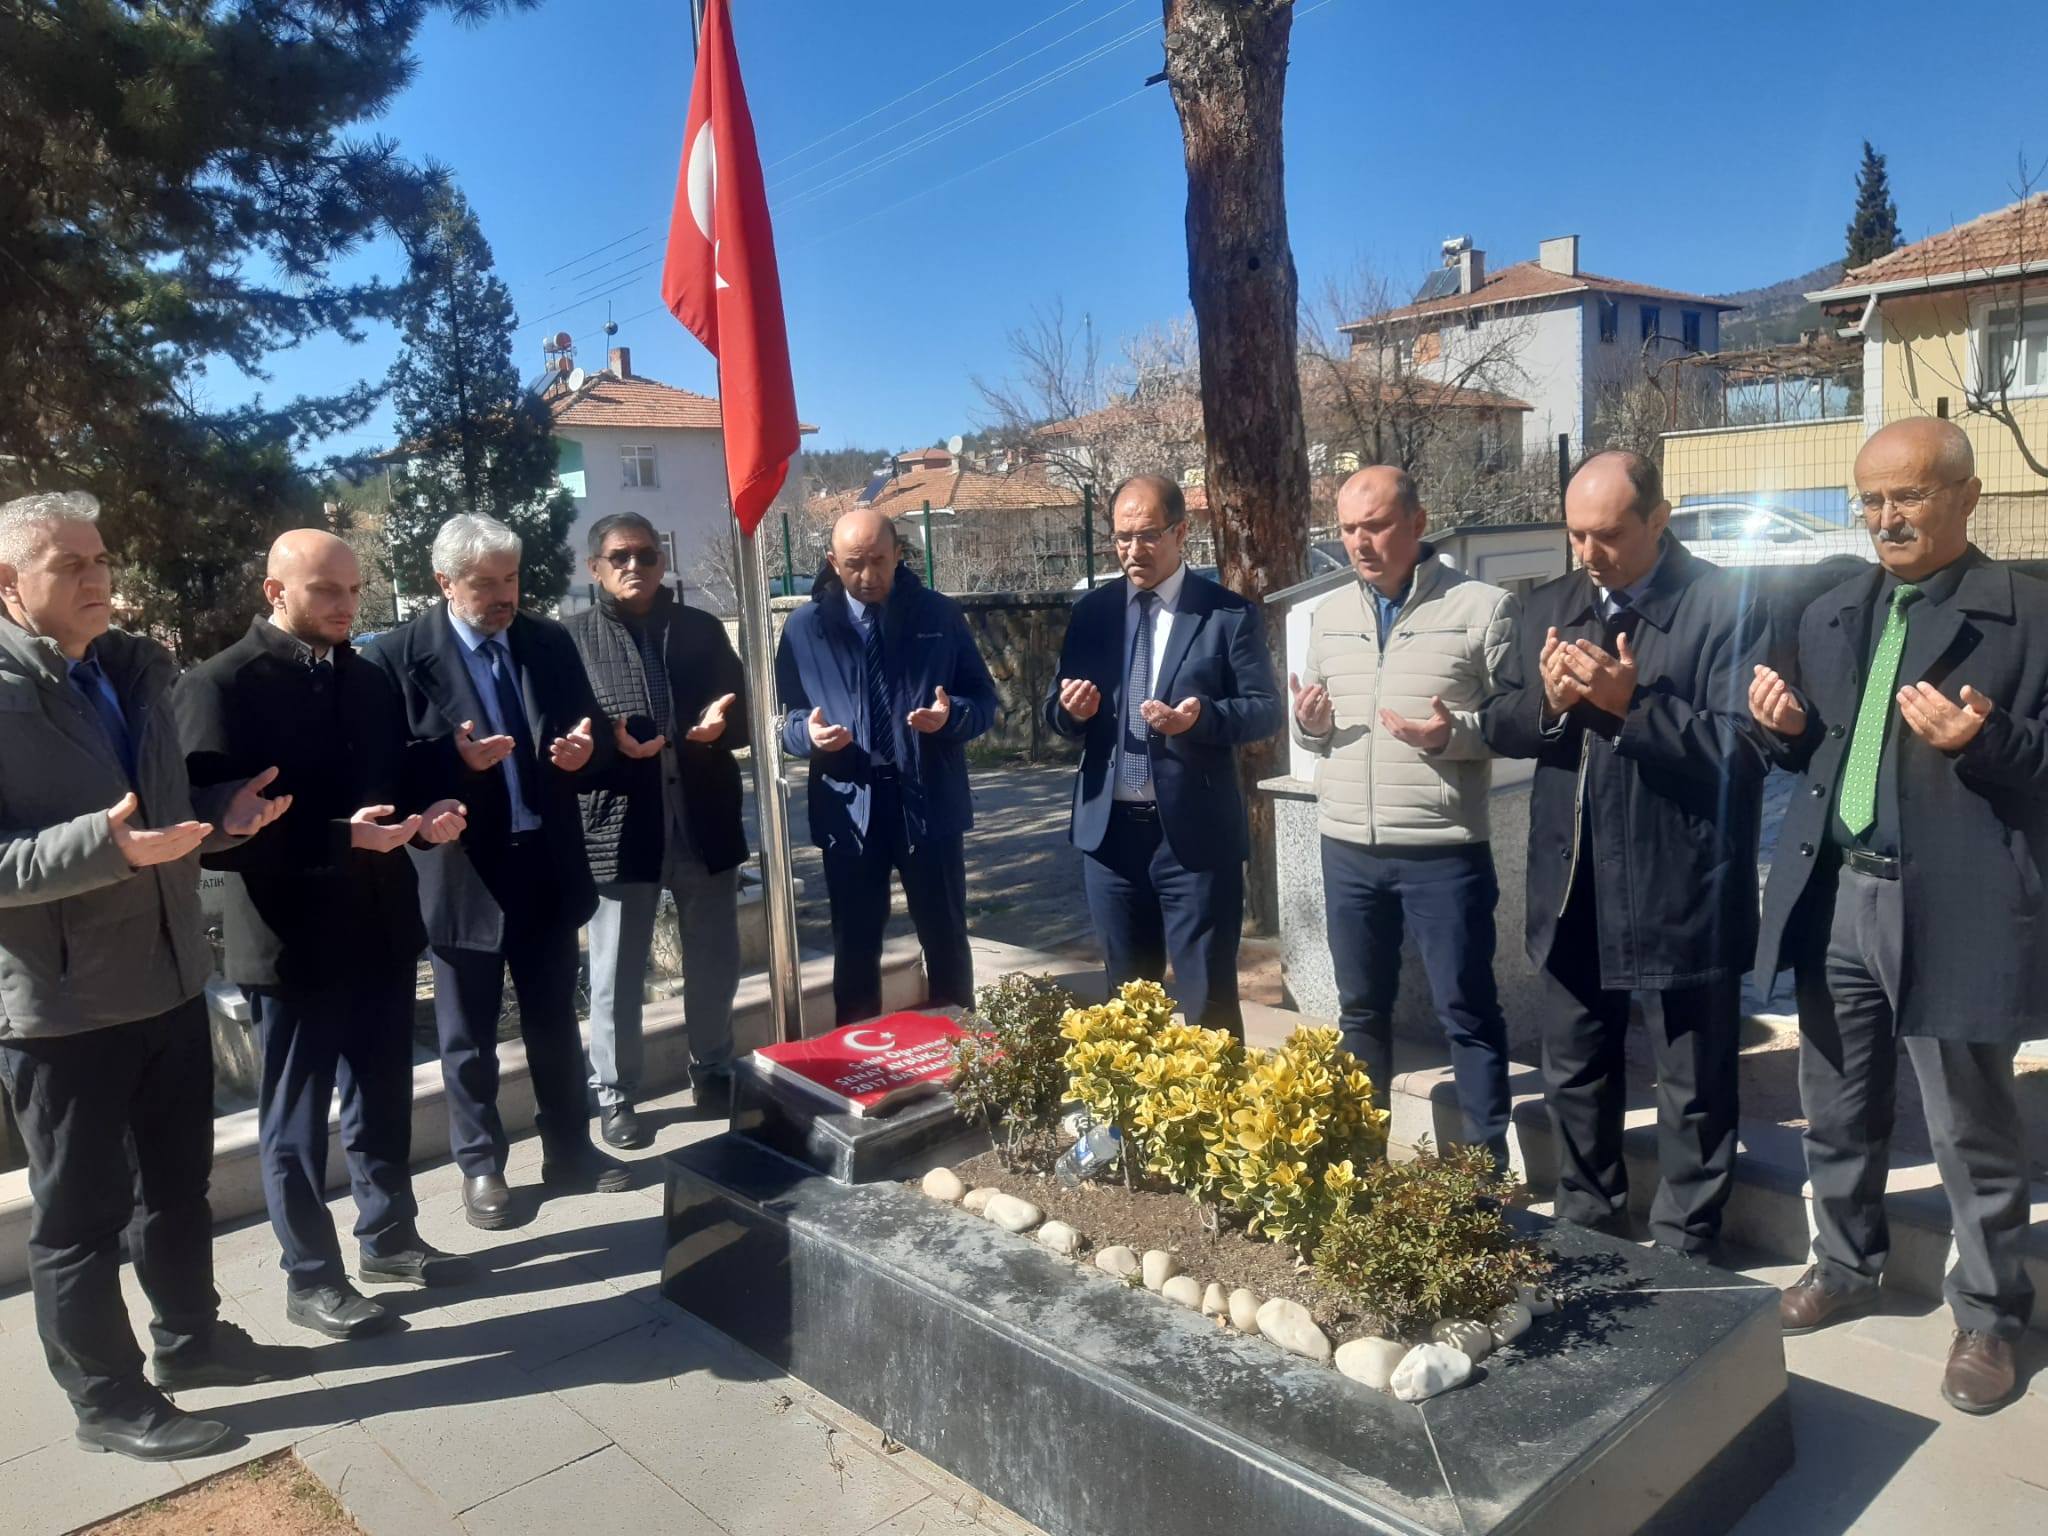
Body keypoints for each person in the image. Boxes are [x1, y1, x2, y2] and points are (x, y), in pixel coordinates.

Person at [0, 491, 304, 1460]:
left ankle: (191, 1345)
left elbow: (159, 815)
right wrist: (106, 848)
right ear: (10, 585)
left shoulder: (130, 672)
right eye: (71, 566)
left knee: (177, 1191)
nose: (100, 579)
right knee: (79, 1222)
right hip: (61, 1009)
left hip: (170, 981)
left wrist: (221, 814)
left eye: (101, 559)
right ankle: (107, 1402)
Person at [1752, 418, 2043, 1414]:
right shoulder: (1836, 613)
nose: (1884, 518)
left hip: (1953, 906)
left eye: (1906, 496)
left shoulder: (2027, 617)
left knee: (1970, 1126)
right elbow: (1820, 753)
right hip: (1838, 892)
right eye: (1868, 499)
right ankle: (1842, 1263)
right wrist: (1784, 733)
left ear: (1964, 495)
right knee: (1833, 1101)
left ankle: (1991, 1316)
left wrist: (1988, 740)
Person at [177, 531, 473, 1340]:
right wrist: (340, 839)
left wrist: (434, 809)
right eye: (324, 592)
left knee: (382, 1098)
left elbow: (396, 778)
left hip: (379, 926)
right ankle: (311, 1279)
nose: (346, 606)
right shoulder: (220, 685)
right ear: (275, 592)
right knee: (296, 1122)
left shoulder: (367, 674)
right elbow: (214, 832)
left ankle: (389, 1238)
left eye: (353, 589)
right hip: (291, 940)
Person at [1480, 451, 1770, 1257]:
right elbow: (1497, 720)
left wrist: (1628, 706)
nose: (1589, 554)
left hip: (1681, 877)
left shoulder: (1723, 604)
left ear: (1658, 519)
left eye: (1607, 534)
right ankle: (1589, 1215)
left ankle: (1686, 1238)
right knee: (1573, 1063)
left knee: (1692, 1081)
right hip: (1573, 877)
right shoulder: (1551, 602)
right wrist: (1547, 703)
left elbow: (1747, 748)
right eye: (1576, 534)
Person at [364, 513, 627, 1230]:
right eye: (485, 584)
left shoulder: (547, 641)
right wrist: (450, 770)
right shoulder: (396, 657)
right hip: (462, 870)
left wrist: (585, 748)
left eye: (511, 579)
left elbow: (591, 733)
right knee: (467, 1034)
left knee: (552, 1021)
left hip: (544, 859)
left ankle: (571, 1148)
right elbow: (383, 770)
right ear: (444, 582)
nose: (503, 595)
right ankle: (481, 1168)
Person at [1289, 466, 1517, 1166]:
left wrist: (1454, 735)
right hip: (1349, 848)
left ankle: (1479, 1180)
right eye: (1350, 529)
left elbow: (1518, 720)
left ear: (1417, 524)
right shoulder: (1328, 617)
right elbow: (1314, 735)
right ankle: (1360, 1161)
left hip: (1443, 852)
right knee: (1360, 1010)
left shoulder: (1484, 607)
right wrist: (1309, 727)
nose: (1361, 542)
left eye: (1377, 525)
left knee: (1467, 1014)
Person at [1042, 473, 1282, 1035]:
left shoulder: (1226, 615)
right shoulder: (1093, 613)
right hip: (1110, 838)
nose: (1132, 551)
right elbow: (1056, 711)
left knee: (1207, 1007)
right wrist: (1071, 711)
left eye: (1147, 535)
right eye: (1122, 538)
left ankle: (1217, 1121)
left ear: (1181, 532)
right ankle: (1131, 1123)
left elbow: (1265, 710)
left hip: (1193, 840)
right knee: (1126, 1009)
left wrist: (1202, 720)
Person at [565, 513, 749, 1142]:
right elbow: (565, 742)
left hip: (702, 821)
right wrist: (614, 750)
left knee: (715, 960)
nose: (634, 566)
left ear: (662, 561)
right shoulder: (574, 641)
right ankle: (615, 1095)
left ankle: (714, 1068)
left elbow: (743, 710)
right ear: (595, 568)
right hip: (619, 829)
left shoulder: (699, 629)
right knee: (616, 971)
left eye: (646, 553)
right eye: (619, 556)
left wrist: (725, 726)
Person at [774, 507, 998, 1023]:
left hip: (928, 807)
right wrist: (805, 734)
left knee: (944, 936)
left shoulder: (938, 616)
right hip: (849, 811)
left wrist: (951, 718)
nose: (869, 576)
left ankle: (960, 1060)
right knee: (854, 948)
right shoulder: (806, 628)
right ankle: (855, 1065)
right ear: (832, 562)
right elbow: (784, 720)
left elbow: (983, 700)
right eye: (854, 564)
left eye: (880, 560)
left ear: (900, 554)